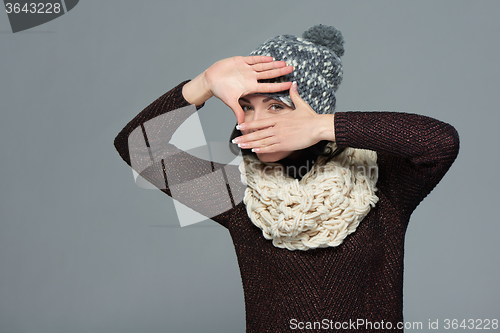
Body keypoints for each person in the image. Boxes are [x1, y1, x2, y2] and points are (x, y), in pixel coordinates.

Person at [114, 24, 459, 332]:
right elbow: (139, 148)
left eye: (276, 106)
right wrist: (203, 83)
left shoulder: (382, 186)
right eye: (247, 106)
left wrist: (324, 126)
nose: (253, 120)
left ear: (310, 110)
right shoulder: (238, 195)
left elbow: (440, 143)